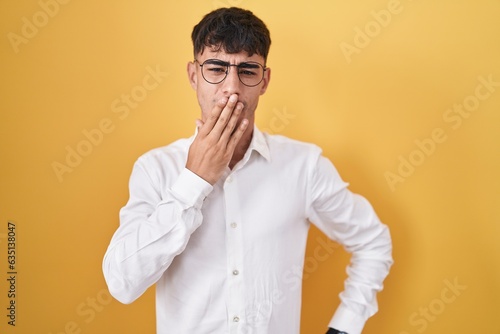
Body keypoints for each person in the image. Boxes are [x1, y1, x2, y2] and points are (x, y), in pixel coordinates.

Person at [102, 7, 393, 334]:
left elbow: (373, 241)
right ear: (193, 75)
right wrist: (194, 181)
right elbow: (122, 283)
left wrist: (345, 327)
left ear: (264, 80)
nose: (231, 89)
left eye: (247, 70)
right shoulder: (155, 169)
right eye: (216, 68)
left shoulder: (303, 166)